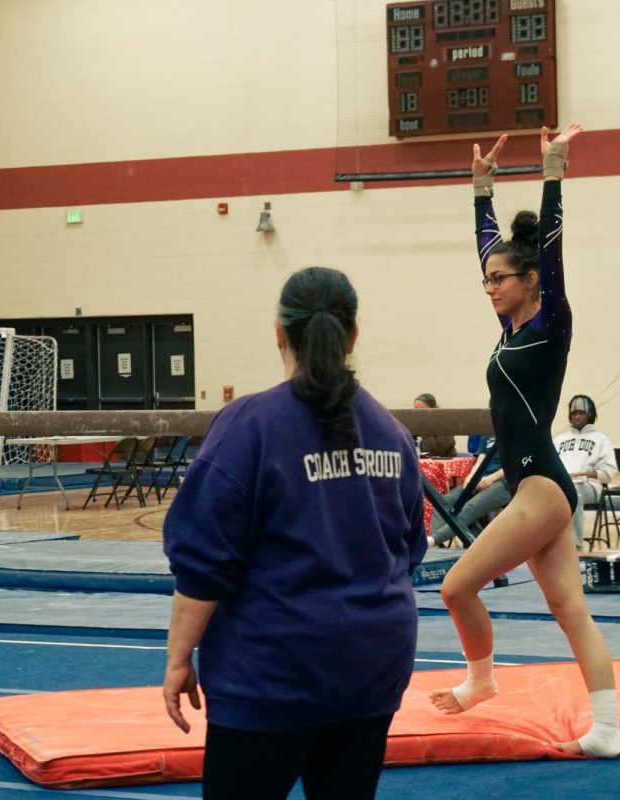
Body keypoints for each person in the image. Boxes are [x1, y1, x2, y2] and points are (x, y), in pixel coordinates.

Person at [161, 267, 427, 800]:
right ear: (353, 336)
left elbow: (203, 564)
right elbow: (410, 548)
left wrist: (177, 659)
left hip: (274, 671)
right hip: (371, 665)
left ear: (280, 333)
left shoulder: (249, 426)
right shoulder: (390, 432)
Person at [428, 125, 620, 760]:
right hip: (535, 488)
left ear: (532, 278)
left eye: (499, 280)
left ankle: (482, 681)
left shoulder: (551, 323)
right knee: (570, 610)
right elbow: (491, 246)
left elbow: (552, 246)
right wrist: (481, 188)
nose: (490, 287)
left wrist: (554, 168)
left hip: (539, 490)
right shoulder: (511, 328)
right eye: (485, 280)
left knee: (456, 587)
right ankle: (609, 729)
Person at [552, 394, 618, 546]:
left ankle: (576, 547)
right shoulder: (559, 440)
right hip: (561, 485)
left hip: (590, 486)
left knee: (573, 491)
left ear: (590, 415)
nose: (576, 417)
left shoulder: (601, 439)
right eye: (574, 414)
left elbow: (608, 474)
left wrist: (581, 474)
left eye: (581, 413)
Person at [428, 434, 510, 546]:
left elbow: (515, 465)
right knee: (443, 502)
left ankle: (433, 540)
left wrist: (491, 478)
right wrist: (471, 476)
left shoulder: (516, 431)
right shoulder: (488, 435)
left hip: (504, 482)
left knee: (470, 507)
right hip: (480, 479)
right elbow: (480, 461)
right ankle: (433, 543)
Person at [414, 392, 458, 457]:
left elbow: (436, 452)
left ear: (432, 410)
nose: (418, 414)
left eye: (422, 410)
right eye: (415, 410)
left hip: (444, 461)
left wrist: (425, 429)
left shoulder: (443, 423)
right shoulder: (414, 424)